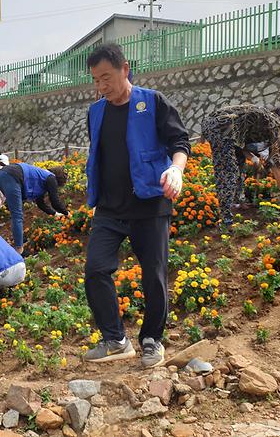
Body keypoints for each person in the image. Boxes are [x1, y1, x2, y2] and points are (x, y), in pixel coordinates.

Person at [82, 43, 191, 368]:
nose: (102, 87)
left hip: (149, 204)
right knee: (95, 270)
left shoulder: (152, 101)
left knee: (154, 275)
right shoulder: (96, 111)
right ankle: (115, 339)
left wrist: (176, 169)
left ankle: (151, 340)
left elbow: (179, 141)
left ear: (124, 69)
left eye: (106, 78)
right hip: (109, 208)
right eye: (96, 81)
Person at [200, 104, 280, 226]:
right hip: (219, 128)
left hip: (221, 128)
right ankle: (226, 221)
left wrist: (254, 159)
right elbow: (275, 161)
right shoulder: (275, 124)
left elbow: (242, 145)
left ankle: (238, 202)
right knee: (227, 171)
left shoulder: (263, 121)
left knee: (239, 164)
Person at [0, 162, 69, 253]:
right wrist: (67, 213)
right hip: (12, 176)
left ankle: (13, 245)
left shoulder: (42, 178)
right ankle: (19, 249)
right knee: (17, 215)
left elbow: (40, 203)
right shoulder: (51, 178)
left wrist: (55, 213)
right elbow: (55, 202)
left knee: (16, 212)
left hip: (3, 175)